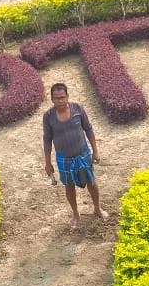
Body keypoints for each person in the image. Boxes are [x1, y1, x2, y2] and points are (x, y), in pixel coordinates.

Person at [42, 82, 109, 229]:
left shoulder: (78, 109)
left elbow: (88, 129)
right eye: (56, 98)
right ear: (52, 99)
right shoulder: (48, 116)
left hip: (83, 154)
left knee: (91, 182)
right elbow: (47, 140)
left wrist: (95, 151)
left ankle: (97, 208)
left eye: (62, 97)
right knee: (69, 186)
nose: (60, 101)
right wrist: (47, 163)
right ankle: (75, 214)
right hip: (64, 158)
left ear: (67, 96)